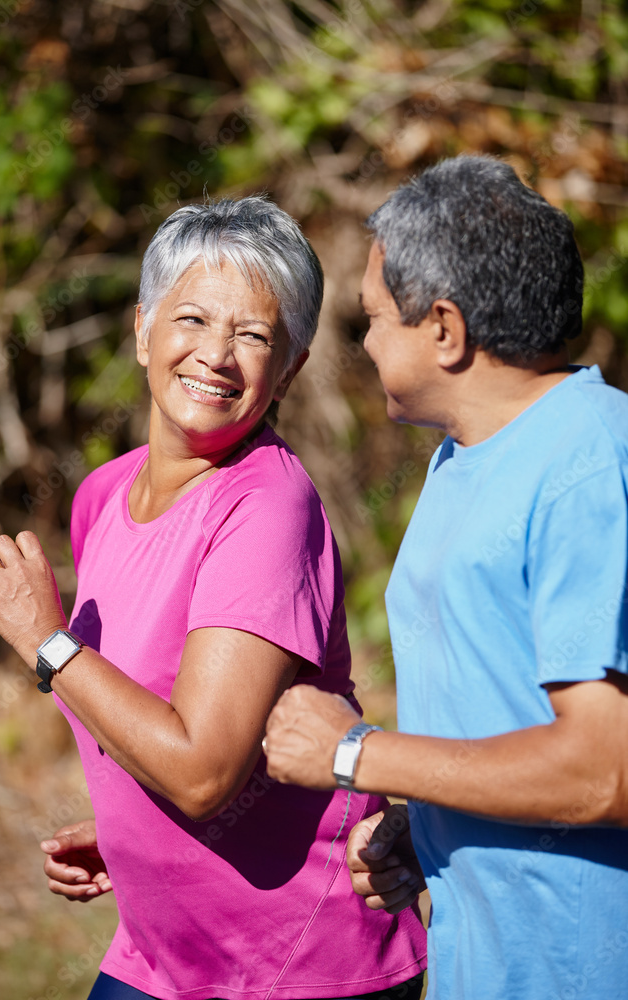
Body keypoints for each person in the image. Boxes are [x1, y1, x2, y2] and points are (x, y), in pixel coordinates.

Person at [0, 197, 427, 1000]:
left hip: (295, 963)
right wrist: (134, 838)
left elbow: (199, 774)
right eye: (191, 318)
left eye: (254, 335)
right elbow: (146, 711)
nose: (216, 355)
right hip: (163, 949)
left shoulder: (266, 508)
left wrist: (49, 644)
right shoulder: (101, 495)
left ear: (288, 367)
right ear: (144, 327)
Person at [263, 156, 628, 1000]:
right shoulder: (460, 456)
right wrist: (424, 827)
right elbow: (497, 714)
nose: (364, 342)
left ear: (445, 330)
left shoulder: (589, 467)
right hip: (483, 964)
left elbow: (605, 769)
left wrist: (357, 754)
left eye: (376, 319)